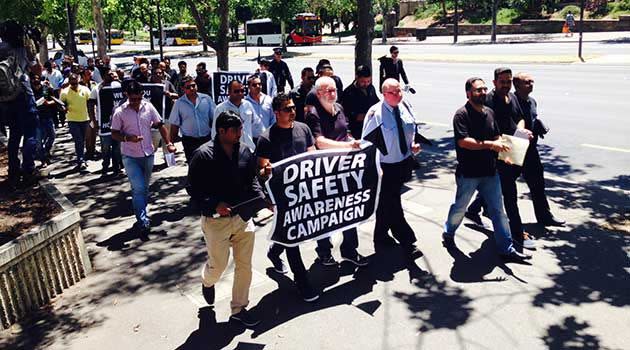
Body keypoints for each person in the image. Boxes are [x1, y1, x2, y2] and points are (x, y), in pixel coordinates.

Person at [188, 111, 264, 327]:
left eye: (241, 128)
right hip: (215, 223)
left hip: (243, 219)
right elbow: (193, 189)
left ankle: (239, 308)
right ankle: (207, 281)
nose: (240, 133)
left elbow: (253, 180)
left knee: (244, 266)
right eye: (236, 130)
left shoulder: (246, 152)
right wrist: (214, 205)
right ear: (221, 131)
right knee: (218, 267)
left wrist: (261, 198)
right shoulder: (203, 155)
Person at [443, 77, 531, 262]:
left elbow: (497, 136)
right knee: (460, 208)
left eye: (484, 89)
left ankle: (506, 249)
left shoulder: (489, 112)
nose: (482, 93)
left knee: (498, 210)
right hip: (469, 173)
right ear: (468, 93)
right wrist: (491, 145)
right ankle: (448, 232)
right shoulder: (461, 115)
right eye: (478, 90)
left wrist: (506, 154)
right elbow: (463, 142)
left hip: (490, 172)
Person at [257, 93, 320, 302]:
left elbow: (312, 156)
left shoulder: (304, 129)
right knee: (293, 239)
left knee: (292, 234)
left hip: (304, 193)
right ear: (276, 113)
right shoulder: (267, 138)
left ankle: (274, 251)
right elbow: (262, 170)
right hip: (283, 198)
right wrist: (267, 172)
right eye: (287, 109)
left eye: (293, 107)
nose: (292, 111)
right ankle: (303, 284)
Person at [465, 67, 537, 249]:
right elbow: (489, 128)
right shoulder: (488, 100)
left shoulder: (512, 97)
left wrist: (520, 131)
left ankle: (473, 210)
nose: (506, 85)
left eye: (509, 81)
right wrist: (507, 139)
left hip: (513, 147)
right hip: (498, 153)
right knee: (510, 194)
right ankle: (517, 234)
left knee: (499, 187)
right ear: (495, 83)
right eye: (502, 81)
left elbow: (519, 117)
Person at [304, 76, 367, 267]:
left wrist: (353, 141)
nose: (333, 94)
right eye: (328, 91)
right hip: (326, 172)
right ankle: (323, 251)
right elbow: (319, 142)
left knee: (348, 210)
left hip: (345, 168)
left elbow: (345, 131)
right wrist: (346, 145)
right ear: (319, 93)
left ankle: (349, 249)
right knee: (325, 213)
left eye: (334, 90)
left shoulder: (339, 108)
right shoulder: (313, 114)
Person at [361, 79, 423, 261]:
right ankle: (407, 242)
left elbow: (411, 128)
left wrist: (413, 145)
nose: (398, 95)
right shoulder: (376, 114)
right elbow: (367, 143)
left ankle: (380, 236)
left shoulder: (405, 105)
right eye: (393, 93)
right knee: (394, 205)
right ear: (383, 94)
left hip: (403, 162)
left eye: (399, 91)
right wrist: (374, 169)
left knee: (387, 203)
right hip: (385, 167)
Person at [111, 81, 176, 233]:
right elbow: (114, 133)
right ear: (127, 95)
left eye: (138, 99)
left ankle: (140, 211)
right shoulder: (120, 111)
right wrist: (128, 138)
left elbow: (160, 125)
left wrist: (169, 143)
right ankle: (142, 219)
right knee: (139, 188)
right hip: (130, 156)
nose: (135, 102)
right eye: (132, 99)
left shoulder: (149, 107)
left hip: (148, 154)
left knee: (144, 188)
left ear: (142, 95)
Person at [512, 72, 565, 227]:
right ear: (517, 85)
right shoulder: (511, 101)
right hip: (515, 149)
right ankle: (476, 208)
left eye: (532, 81)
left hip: (531, 150)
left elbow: (532, 118)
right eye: (527, 82)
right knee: (504, 183)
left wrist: (538, 125)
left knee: (538, 184)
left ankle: (544, 216)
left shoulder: (532, 101)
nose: (531, 84)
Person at [0, 20, 40, 187]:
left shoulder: (1, 49)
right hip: (24, 94)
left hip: (6, 99)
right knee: (32, 132)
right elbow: (37, 70)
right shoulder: (24, 49)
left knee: (14, 135)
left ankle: (13, 171)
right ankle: (29, 168)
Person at [170, 76, 215, 163]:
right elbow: (175, 125)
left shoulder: (206, 99)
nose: (192, 88)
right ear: (183, 89)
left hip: (206, 138)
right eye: (188, 87)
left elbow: (214, 119)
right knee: (194, 166)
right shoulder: (179, 104)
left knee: (209, 165)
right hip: (189, 141)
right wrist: (171, 143)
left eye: (193, 85)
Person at [88, 67, 123, 176]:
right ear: (103, 77)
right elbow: (90, 104)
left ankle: (116, 168)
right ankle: (105, 166)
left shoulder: (118, 86)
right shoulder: (97, 89)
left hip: (118, 124)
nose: (112, 76)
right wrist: (93, 120)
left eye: (113, 74)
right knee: (106, 148)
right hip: (103, 123)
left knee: (117, 147)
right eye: (109, 75)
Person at [213, 80, 261, 152]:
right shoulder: (220, 109)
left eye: (242, 91)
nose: (240, 93)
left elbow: (257, 125)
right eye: (236, 91)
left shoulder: (248, 105)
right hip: (230, 152)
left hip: (249, 149)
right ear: (228, 92)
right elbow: (215, 133)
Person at [60, 73, 92, 171]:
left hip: (84, 119)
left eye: (76, 83)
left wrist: (92, 117)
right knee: (78, 140)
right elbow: (61, 105)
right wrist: (63, 108)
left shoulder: (85, 89)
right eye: (72, 84)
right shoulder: (64, 92)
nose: (74, 85)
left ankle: (83, 157)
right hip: (72, 120)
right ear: (69, 83)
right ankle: (81, 160)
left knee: (83, 140)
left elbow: (90, 103)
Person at [342, 65, 380, 140]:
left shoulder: (371, 88)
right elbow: (349, 116)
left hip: (372, 128)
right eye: (363, 82)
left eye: (368, 81)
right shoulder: (348, 93)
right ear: (357, 77)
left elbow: (377, 102)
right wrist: (369, 115)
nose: (366, 84)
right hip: (357, 131)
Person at [31, 74, 58, 167]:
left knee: (52, 136)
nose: (36, 80)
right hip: (36, 118)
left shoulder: (45, 89)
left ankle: (46, 151)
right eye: (34, 78)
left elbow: (54, 100)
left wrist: (48, 103)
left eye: (37, 78)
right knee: (38, 141)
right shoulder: (29, 91)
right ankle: (43, 160)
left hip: (47, 116)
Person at [245, 74, 275, 139]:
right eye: (254, 85)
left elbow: (273, 118)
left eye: (259, 84)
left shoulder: (268, 100)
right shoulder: (245, 103)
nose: (258, 86)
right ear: (249, 87)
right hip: (252, 139)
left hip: (267, 138)